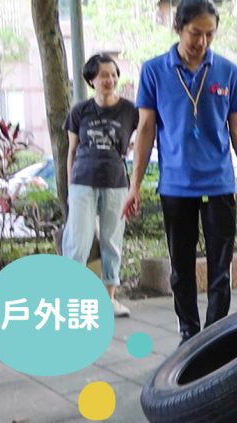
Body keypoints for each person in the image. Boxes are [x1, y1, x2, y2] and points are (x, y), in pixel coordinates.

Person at [122, 0, 237, 344]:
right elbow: (145, 130)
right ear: (178, 28)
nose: (202, 41)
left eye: (209, 34)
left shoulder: (227, 71)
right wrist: (134, 186)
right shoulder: (154, 70)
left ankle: (215, 333)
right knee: (180, 268)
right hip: (175, 186)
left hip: (218, 184)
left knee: (220, 268)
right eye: (195, 33)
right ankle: (189, 333)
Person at [62, 54, 138, 318]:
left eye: (113, 74)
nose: (110, 80)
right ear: (91, 79)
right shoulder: (79, 111)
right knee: (77, 242)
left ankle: (109, 299)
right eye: (103, 75)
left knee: (112, 240)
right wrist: (70, 187)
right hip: (82, 181)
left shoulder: (130, 110)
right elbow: (72, 151)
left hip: (116, 183)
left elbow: (139, 144)